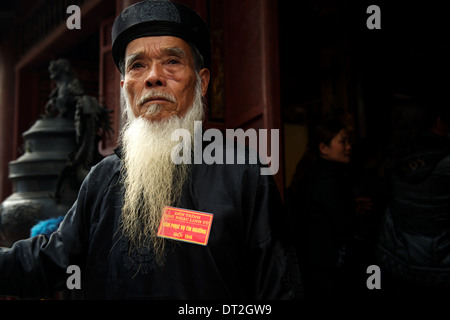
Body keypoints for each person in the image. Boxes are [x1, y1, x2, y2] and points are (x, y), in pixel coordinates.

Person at [0, 1, 296, 300]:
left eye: (172, 62)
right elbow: (51, 261)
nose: (153, 77)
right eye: (138, 65)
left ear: (202, 82)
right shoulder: (102, 178)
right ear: (125, 86)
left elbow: (278, 288)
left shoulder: (241, 170)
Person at [374, 93, 450, 298]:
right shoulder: (444, 164)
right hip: (441, 268)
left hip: (401, 263)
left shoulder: (393, 161)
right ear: (439, 121)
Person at [286, 117, 366, 299]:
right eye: (342, 141)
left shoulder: (318, 171)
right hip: (325, 262)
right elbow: (341, 222)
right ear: (323, 148)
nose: (348, 147)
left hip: (315, 260)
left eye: (349, 141)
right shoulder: (326, 178)